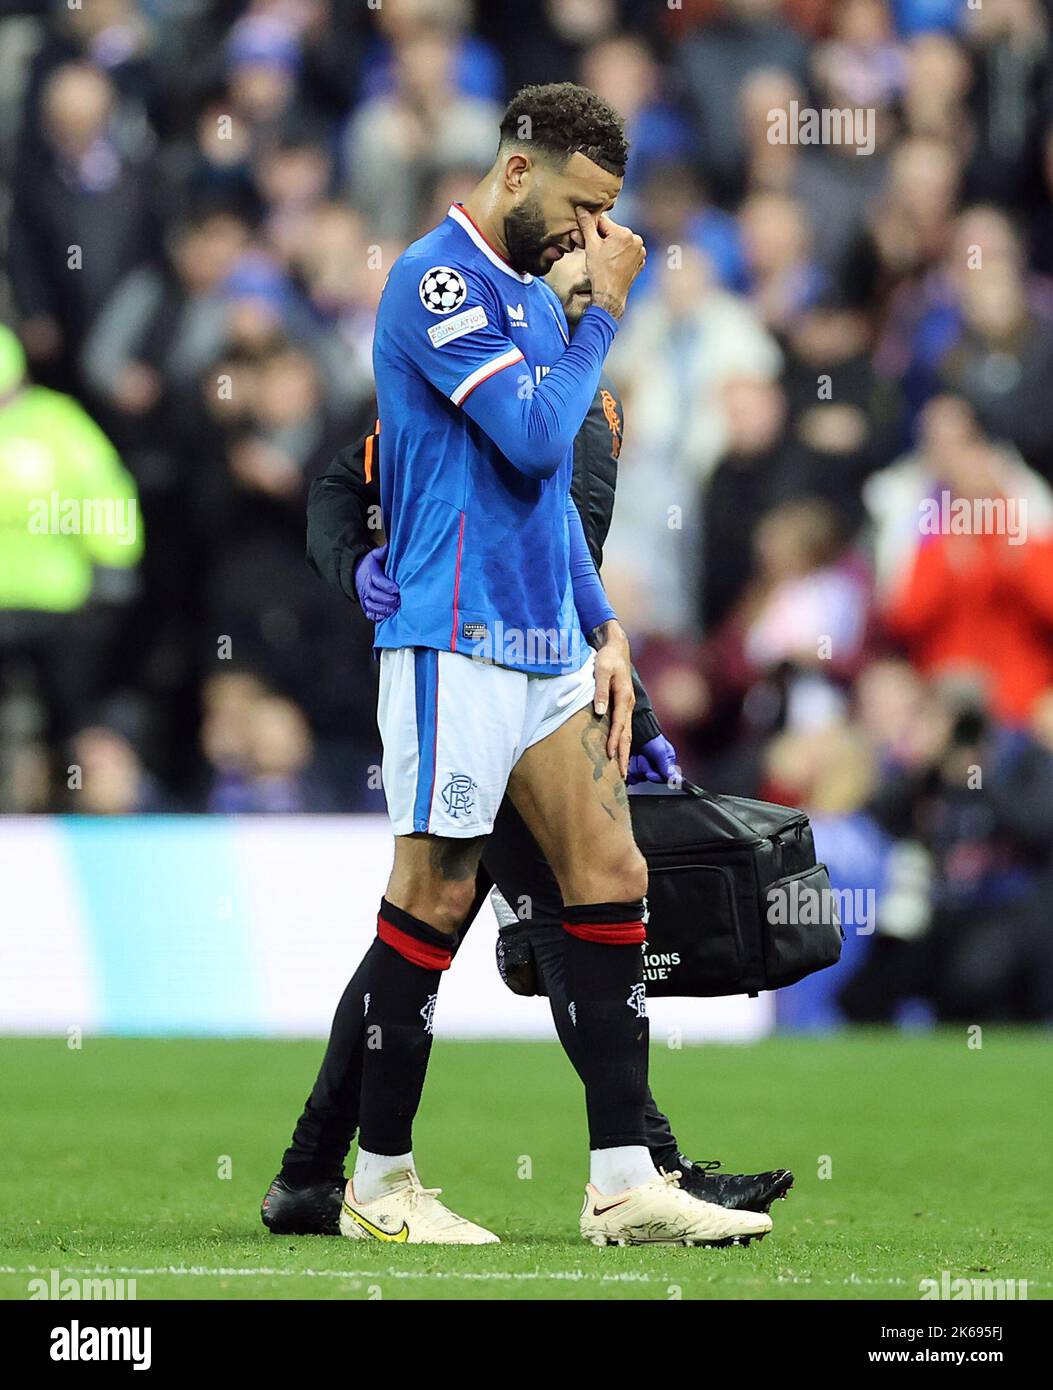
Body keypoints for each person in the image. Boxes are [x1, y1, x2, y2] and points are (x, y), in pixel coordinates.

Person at [263, 83, 774, 1247]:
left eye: (608, 217)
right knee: (431, 900)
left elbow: (546, 502)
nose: (592, 234)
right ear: (515, 171)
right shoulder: (437, 282)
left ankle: (621, 1179)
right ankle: (377, 1180)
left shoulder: (528, 296)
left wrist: (605, 627)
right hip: (456, 638)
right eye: (583, 206)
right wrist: (606, 311)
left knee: (614, 873)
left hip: (544, 640)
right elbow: (540, 434)